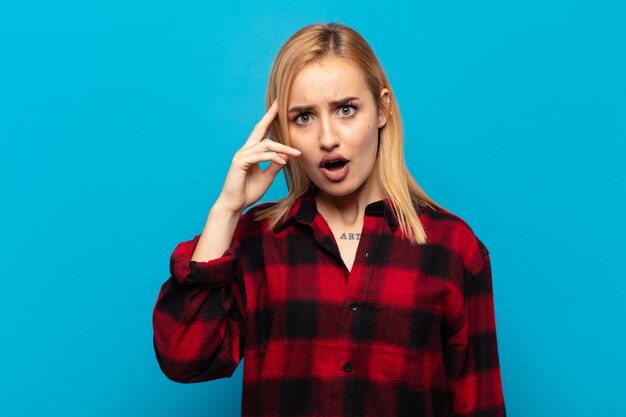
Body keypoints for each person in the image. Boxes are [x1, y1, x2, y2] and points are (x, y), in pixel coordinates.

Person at [152, 22, 507, 417]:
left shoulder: (452, 247)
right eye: (303, 117)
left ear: (382, 109)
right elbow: (184, 357)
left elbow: (480, 404)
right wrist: (226, 210)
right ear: (282, 130)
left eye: (346, 109)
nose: (326, 138)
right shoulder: (259, 240)